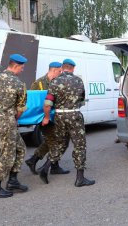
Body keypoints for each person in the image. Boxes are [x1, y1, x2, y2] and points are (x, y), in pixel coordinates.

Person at [39, 59, 95, 187]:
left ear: (62, 67)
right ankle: (80, 178)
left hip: (59, 116)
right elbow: (81, 100)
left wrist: (47, 117)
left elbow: (47, 104)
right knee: (80, 145)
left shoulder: (55, 81)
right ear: (73, 68)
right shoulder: (78, 81)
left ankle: (45, 167)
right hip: (74, 115)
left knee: (60, 144)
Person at [0, 54, 28, 198]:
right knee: (7, 154)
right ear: (15, 66)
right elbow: (21, 109)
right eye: (22, 67)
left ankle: (13, 181)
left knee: (20, 149)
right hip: (8, 120)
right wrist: (13, 119)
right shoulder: (19, 84)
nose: (23, 69)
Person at [25, 62, 70, 175]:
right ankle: (51, 165)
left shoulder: (60, 82)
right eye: (59, 71)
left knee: (51, 141)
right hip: (44, 118)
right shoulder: (38, 83)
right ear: (54, 70)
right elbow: (33, 102)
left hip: (57, 117)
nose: (61, 73)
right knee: (55, 142)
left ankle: (35, 160)